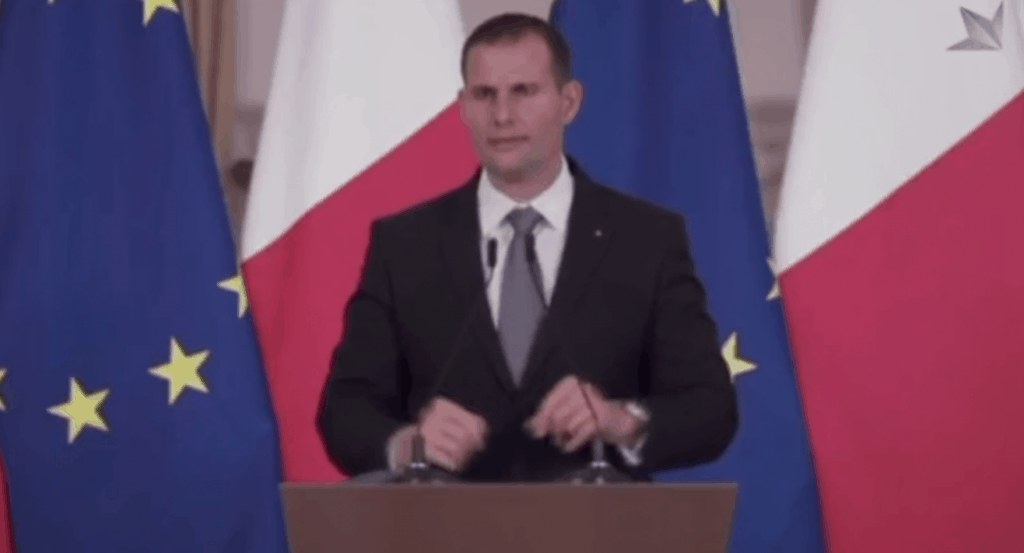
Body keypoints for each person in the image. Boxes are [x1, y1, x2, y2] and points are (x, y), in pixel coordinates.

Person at [318, 13, 737, 483]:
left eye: (524, 91)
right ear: (463, 106)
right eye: (485, 94)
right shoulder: (406, 243)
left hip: (600, 520)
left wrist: (621, 420)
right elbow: (344, 410)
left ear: (569, 102)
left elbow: (711, 409)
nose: (502, 116)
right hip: (441, 519)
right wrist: (408, 443)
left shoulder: (646, 239)